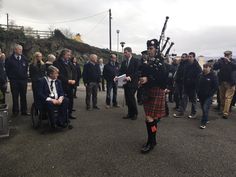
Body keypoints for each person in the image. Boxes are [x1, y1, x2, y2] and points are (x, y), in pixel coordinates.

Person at [139, 39, 168, 153]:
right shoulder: (150, 62)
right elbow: (144, 73)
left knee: (149, 118)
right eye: (148, 49)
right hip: (148, 91)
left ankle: (151, 141)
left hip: (156, 91)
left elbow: (162, 79)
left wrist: (148, 79)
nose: (149, 51)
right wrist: (141, 79)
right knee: (152, 120)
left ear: (156, 49)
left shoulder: (161, 64)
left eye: (151, 49)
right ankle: (152, 140)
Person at [173, 52, 202, 118]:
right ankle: (181, 112)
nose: (189, 58)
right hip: (185, 85)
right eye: (188, 56)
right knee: (183, 99)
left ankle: (193, 113)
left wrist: (194, 84)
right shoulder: (187, 65)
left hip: (193, 86)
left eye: (190, 57)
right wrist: (184, 82)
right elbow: (184, 74)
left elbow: (198, 77)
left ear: (194, 57)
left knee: (193, 101)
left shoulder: (197, 66)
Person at [5, 44, 29, 116]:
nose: (21, 51)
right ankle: (15, 111)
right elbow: (7, 69)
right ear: (15, 50)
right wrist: (11, 78)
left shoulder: (24, 58)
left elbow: (26, 68)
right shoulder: (9, 59)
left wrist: (25, 77)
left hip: (23, 81)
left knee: (23, 96)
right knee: (15, 96)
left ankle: (24, 111)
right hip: (14, 81)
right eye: (19, 49)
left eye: (21, 49)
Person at [53, 49, 77, 119]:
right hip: (62, 85)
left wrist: (74, 80)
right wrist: (67, 81)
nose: (69, 56)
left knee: (70, 99)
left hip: (71, 85)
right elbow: (58, 74)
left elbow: (74, 71)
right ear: (63, 55)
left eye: (70, 55)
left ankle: (69, 114)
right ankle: (62, 115)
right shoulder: (57, 62)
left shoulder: (69, 62)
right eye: (68, 55)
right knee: (62, 99)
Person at [213, 51, 236, 119]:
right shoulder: (221, 61)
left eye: (228, 55)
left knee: (228, 98)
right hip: (222, 82)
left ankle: (225, 113)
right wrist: (219, 61)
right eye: (225, 55)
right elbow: (215, 67)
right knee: (222, 97)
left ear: (231, 55)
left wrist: (229, 62)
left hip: (230, 83)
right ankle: (222, 110)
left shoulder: (233, 61)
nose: (226, 56)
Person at [119, 47, 139, 120]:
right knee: (127, 99)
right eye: (124, 52)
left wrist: (130, 77)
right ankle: (130, 113)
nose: (124, 54)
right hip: (125, 83)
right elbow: (121, 71)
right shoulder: (124, 62)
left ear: (130, 52)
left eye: (126, 52)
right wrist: (117, 77)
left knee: (131, 98)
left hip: (133, 83)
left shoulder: (136, 61)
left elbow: (137, 72)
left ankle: (135, 113)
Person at [197, 63, 218, 129]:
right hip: (201, 95)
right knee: (203, 108)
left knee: (205, 108)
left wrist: (211, 94)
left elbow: (215, 87)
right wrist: (197, 92)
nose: (205, 68)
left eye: (206, 67)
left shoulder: (213, 76)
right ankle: (206, 118)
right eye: (204, 67)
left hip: (208, 96)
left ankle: (203, 123)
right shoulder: (200, 75)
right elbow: (197, 84)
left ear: (210, 68)